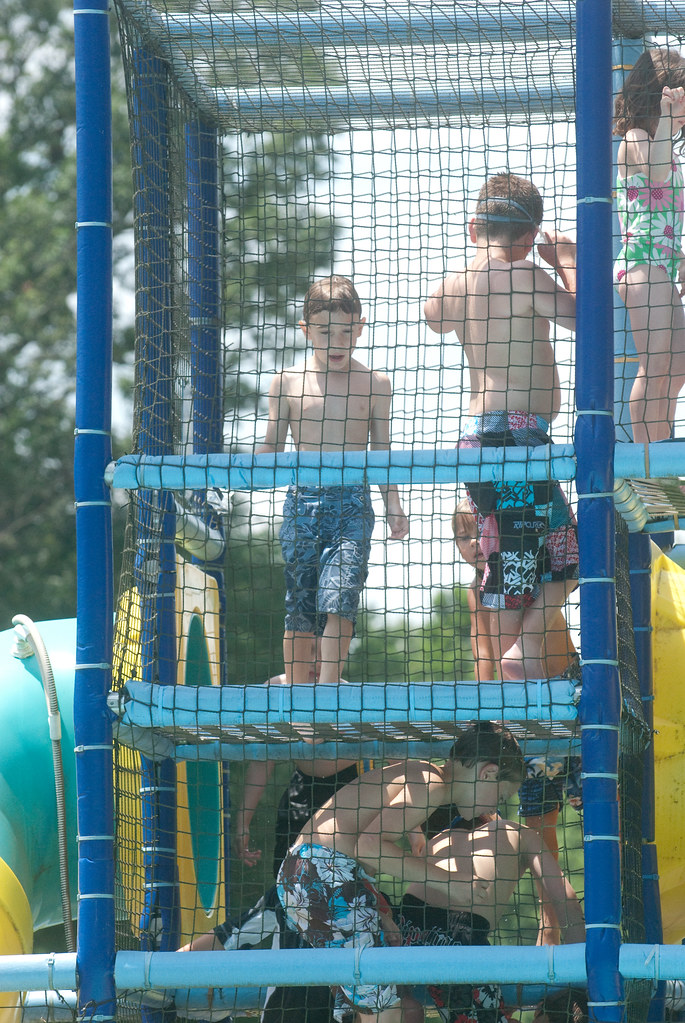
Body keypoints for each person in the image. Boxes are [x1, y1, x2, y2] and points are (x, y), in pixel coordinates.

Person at [425, 172, 579, 681]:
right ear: (531, 237)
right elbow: (585, 315)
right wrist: (566, 261)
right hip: (519, 440)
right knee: (565, 557)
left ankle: (519, 666)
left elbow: (432, 315)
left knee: (525, 562)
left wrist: (468, 269)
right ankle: (520, 657)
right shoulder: (526, 275)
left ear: (473, 228)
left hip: (480, 442)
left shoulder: (460, 283)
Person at [273, 721, 525, 1023]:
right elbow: (369, 846)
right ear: (488, 773)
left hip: (310, 875)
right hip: (323, 875)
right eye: (499, 797)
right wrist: (451, 883)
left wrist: (379, 911)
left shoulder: (423, 775)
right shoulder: (431, 784)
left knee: (383, 1007)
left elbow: (361, 850)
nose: (493, 809)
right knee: (387, 1011)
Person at [257, 275, 409, 689]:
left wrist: (393, 505)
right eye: (325, 332)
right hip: (302, 502)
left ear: (360, 327)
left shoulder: (375, 384)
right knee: (301, 603)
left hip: (352, 504)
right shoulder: (286, 382)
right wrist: (241, 470)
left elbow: (382, 453)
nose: (337, 342)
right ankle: (297, 695)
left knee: (341, 598)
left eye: (346, 331)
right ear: (306, 330)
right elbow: (271, 445)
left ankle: (327, 692)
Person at [452, 498, 582, 945]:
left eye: (476, 533)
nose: (471, 544)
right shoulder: (478, 591)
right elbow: (482, 652)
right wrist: (484, 718)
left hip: (567, 700)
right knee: (539, 829)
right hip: (527, 720)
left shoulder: (521, 570)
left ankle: (620, 904)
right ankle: (551, 924)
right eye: (462, 538)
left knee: (604, 813)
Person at [393, 815, 585, 1023]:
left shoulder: (439, 840)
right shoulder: (519, 833)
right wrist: (580, 982)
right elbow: (568, 904)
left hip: (404, 933)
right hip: (458, 942)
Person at [613, 47, 685, 443]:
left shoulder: (664, 146)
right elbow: (656, 175)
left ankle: (661, 446)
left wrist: (681, 258)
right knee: (655, 364)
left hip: (662, 265)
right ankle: (646, 455)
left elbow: (667, 214)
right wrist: (669, 118)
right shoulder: (636, 138)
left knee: (676, 368)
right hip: (641, 264)